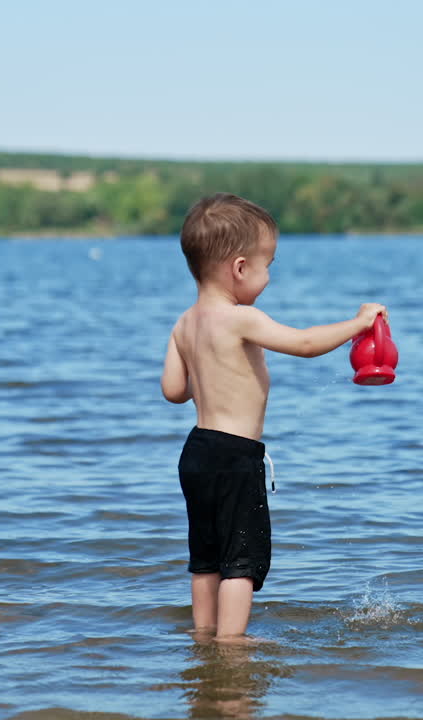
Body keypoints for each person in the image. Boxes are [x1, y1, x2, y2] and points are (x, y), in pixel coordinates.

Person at [161, 192, 387, 639]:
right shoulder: (241, 318)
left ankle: (203, 637)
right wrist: (359, 324)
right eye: (268, 265)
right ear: (240, 268)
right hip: (235, 456)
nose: (268, 277)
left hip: (197, 453)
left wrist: (206, 374)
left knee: (205, 557)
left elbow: (173, 391)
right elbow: (303, 344)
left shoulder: (184, 323)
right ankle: (231, 647)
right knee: (240, 561)